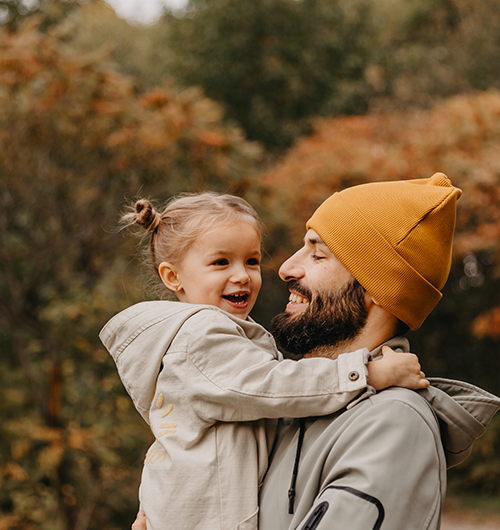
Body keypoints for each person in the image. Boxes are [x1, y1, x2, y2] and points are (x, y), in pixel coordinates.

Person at [130, 174, 500, 530]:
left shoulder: (392, 425)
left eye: (318, 255)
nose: (286, 268)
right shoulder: (293, 406)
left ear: (378, 287)